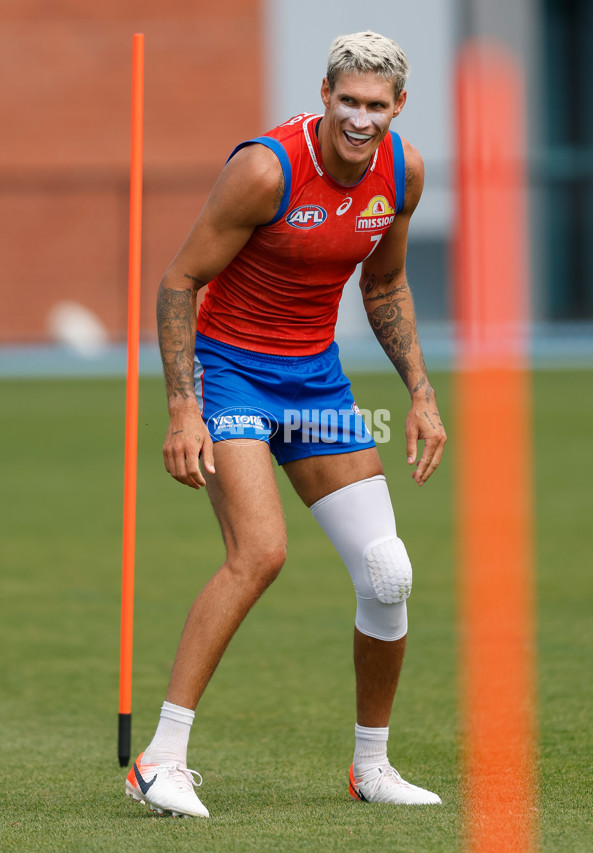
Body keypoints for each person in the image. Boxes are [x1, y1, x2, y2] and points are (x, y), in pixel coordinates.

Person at [125, 30, 447, 818]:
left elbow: (386, 283)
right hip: (232, 371)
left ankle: (371, 765)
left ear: (398, 107)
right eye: (349, 101)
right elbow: (179, 282)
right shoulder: (266, 168)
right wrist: (182, 407)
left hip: (316, 382)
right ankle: (159, 760)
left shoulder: (402, 171)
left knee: (388, 571)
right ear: (326, 96)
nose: (361, 118)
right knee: (261, 551)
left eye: (377, 105)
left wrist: (422, 392)